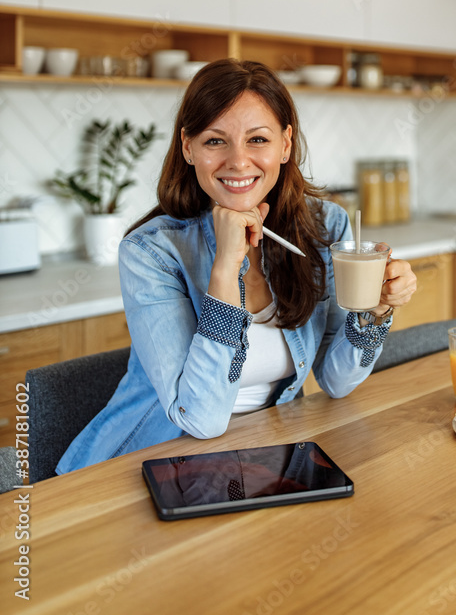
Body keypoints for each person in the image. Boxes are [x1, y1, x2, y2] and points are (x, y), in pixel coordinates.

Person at [57, 59, 417, 473]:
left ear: (285, 144)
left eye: (257, 139)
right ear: (188, 147)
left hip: (264, 458)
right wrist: (227, 266)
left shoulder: (325, 228)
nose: (239, 161)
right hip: (143, 467)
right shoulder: (151, 251)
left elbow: (336, 382)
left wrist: (376, 310)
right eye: (215, 141)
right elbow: (201, 420)